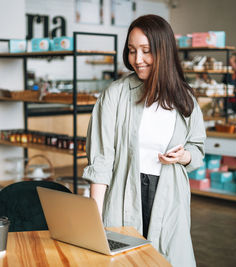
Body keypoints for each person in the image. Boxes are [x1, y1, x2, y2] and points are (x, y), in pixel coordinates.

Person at [82, 14, 206, 266]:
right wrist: (94, 218)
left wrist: (184, 156)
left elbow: (197, 147)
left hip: (170, 196)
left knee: (168, 258)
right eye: (131, 51)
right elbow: (101, 160)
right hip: (125, 192)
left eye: (146, 51)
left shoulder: (185, 98)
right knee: (124, 259)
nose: (137, 60)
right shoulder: (115, 95)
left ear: (164, 51)